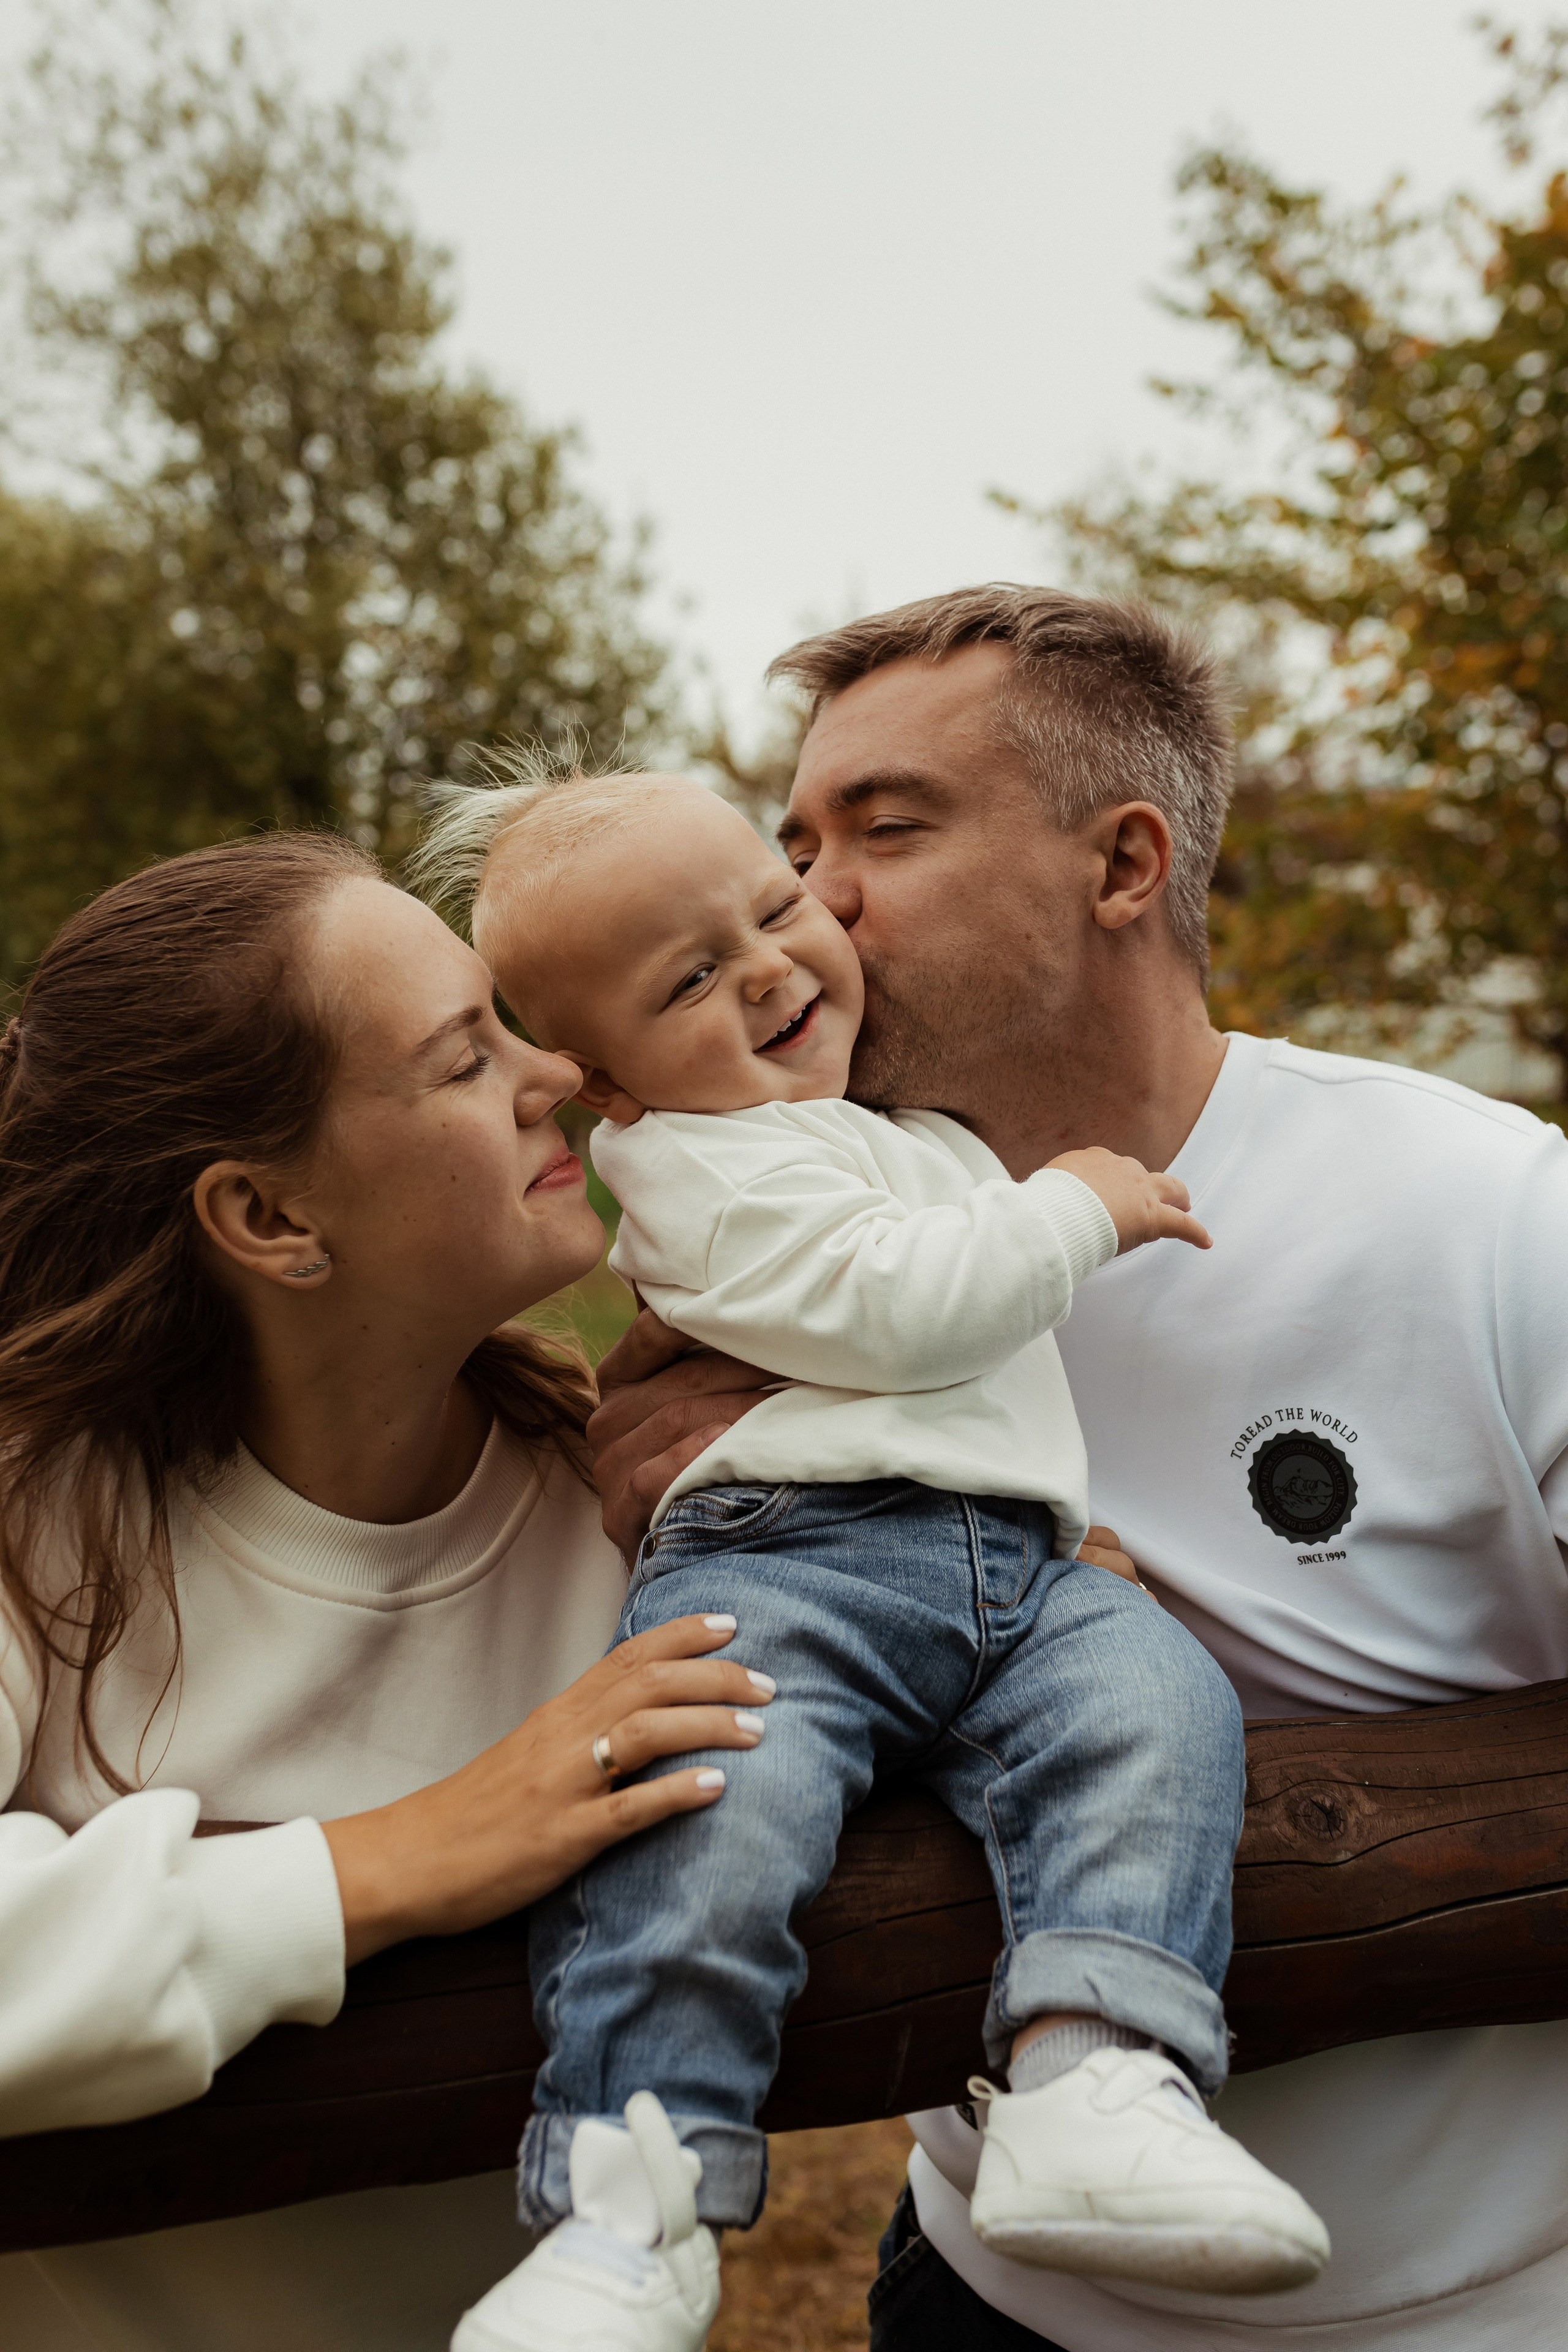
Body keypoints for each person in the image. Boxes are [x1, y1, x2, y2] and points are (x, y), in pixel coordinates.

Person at [587, 584, 1568, 2352]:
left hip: (1476, 2312)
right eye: (793, 846)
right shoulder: (770, 1263)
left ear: (1123, 865)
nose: (811, 904)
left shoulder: (1489, 1219)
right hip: (986, 2294)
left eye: (886, 831)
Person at [409, 764, 1325, 2351]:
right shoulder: (698, 1170)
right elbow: (904, 1309)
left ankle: (1096, 2075)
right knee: (709, 1826)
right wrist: (1072, 1210)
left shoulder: (888, 1128)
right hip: (792, 1564)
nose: (771, 965)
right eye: (689, 979)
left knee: (1155, 1714)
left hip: (1017, 1575)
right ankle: (631, 2206)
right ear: (610, 1085)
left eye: (774, 907)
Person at [0, 831, 778, 2352]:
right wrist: (404, 1855)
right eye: (463, 1057)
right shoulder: (34, 1505)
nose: (556, 1072)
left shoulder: (627, 1492)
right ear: (271, 1219)